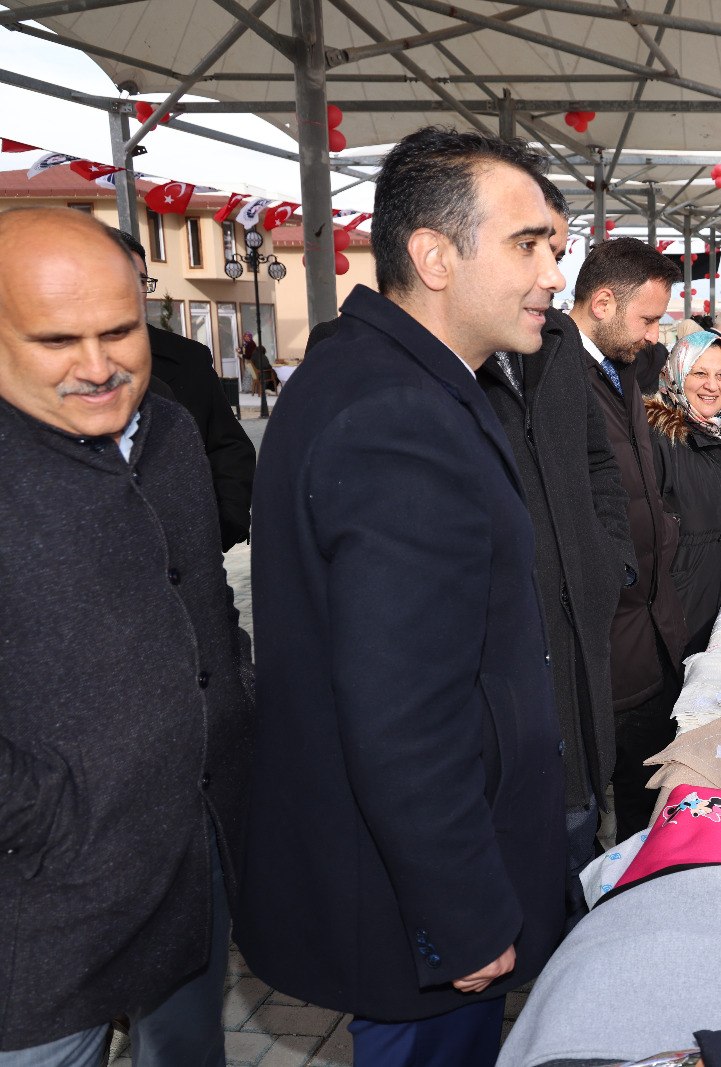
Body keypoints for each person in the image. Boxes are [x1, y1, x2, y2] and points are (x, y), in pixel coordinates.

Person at [236, 128, 568, 1066]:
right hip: (416, 907)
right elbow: (402, 708)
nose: (551, 273)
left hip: (404, 882)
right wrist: (462, 912)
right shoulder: (398, 412)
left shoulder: (391, 378)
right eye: (527, 244)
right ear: (434, 255)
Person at [0, 208, 252, 1067]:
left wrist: (236, 717)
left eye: (119, 331)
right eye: (56, 340)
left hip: (191, 852)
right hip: (40, 898)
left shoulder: (171, 432)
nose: (98, 366)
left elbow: (206, 605)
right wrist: (45, 818)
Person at [476, 174, 637, 929]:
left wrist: (607, 560)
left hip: (577, 634)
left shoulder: (560, 346)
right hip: (509, 663)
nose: (552, 273)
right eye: (532, 248)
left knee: (580, 815)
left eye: (559, 251)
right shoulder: (451, 368)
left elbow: (598, 464)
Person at [569, 237, 692, 841]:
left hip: (649, 621)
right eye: (647, 319)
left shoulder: (616, 366)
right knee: (610, 805)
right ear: (602, 303)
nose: (653, 335)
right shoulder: (556, 376)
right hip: (609, 630)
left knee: (649, 797)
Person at [113, 230, 257, 549]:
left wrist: (226, 520)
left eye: (140, 280)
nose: (131, 291)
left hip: (190, 550)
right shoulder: (57, 367)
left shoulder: (188, 358)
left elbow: (230, 446)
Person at [644, 331, 721, 657]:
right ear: (677, 374)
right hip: (681, 603)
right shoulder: (656, 437)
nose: (712, 386)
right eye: (700, 373)